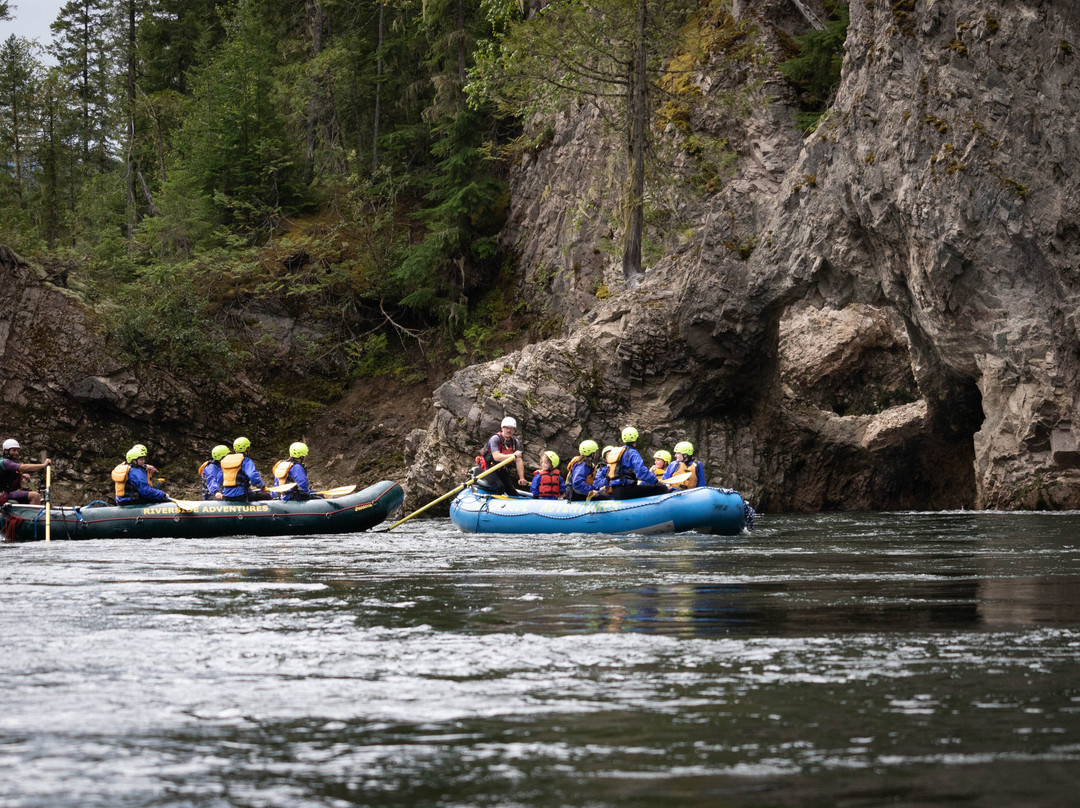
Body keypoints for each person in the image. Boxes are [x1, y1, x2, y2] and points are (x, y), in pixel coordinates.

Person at [604, 426, 669, 500]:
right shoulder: (633, 453)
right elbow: (641, 472)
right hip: (627, 491)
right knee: (662, 488)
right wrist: (656, 481)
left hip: (615, 491)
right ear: (636, 439)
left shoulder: (618, 453)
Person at [480, 416, 528, 496]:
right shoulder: (495, 439)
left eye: (511, 428)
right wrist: (513, 455)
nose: (509, 430)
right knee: (500, 487)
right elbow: (496, 456)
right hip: (488, 468)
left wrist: (521, 478)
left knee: (512, 491)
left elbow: (518, 460)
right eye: (507, 428)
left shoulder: (515, 443)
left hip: (500, 468)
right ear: (502, 428)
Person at [220, 437, 273, 502]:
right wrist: (261, 485)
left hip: (226, 496)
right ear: (247, 448)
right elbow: (252, 475)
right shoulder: (245, 460)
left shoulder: (226, 461)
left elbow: (219, 478)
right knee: (267, 496)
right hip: (241, 495)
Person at [0, 438, 51, 505]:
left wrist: (21, 475)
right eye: (14, 450)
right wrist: (43, 465)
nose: (16, 453)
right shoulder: (5, 462)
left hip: (7, 492)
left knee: (31, 494)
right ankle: (32, 515)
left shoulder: (7, 462)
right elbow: (23, 467)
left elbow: (6, 475)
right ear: (6, 451)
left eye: (17, 450)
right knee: (35, 496)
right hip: (3, 494)